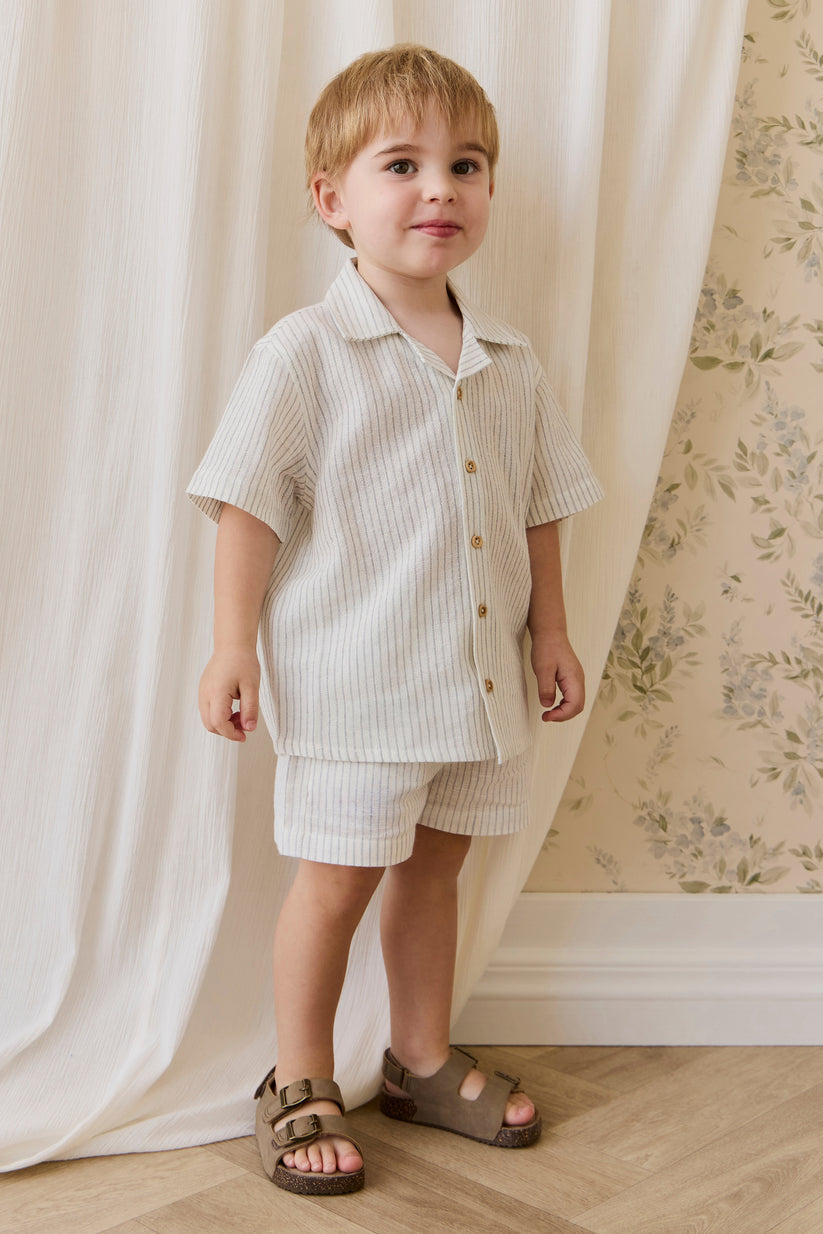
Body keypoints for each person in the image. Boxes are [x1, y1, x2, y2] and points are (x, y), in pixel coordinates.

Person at [187, 43, 603, 1197]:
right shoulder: (305, 354)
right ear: (333, 200)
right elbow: (246, 508)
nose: (440, 190)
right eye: (403, 164)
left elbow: (537, 511)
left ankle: (419, 1056)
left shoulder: (508, 363)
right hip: (357, 685)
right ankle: (298, 1078)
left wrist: (551, 632)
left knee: (437, 870)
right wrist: (232, 644)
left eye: (465, 166)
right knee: (336, 880)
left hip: (474, 684)